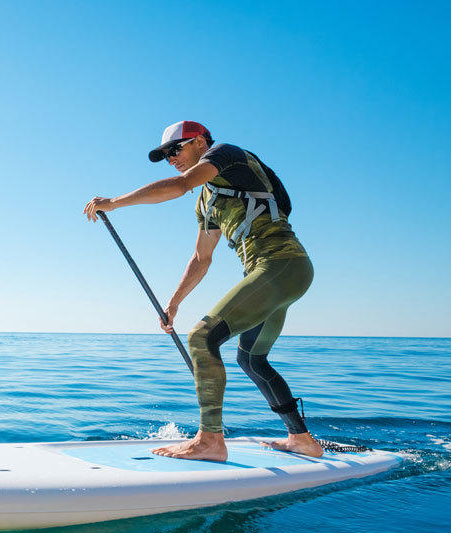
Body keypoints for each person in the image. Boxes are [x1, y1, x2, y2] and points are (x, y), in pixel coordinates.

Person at [83, 121, 320, 461]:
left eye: (174, 150)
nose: (170, 159)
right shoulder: (207, 201)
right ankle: (302, 439)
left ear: (198, 142)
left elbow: (180, 185)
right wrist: (173, 304)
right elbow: (201, 258)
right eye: (165, 156)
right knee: (251, 360)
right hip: (275, 275)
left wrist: (115, 203)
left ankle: (210, 441)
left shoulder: (227, 154)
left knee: (201, 338)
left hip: (282, 265)